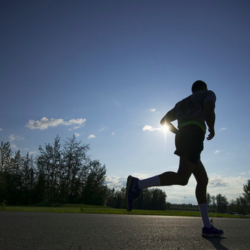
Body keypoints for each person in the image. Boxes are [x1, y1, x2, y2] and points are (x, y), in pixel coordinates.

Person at [125, 80, 224, 237]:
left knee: (203, 180)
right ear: (203, 88)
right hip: (194, 136)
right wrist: (211, 129)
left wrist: (178, 132)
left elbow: (163, 121)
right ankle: (138, 185)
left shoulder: (182, 103)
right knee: (183, 178)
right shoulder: (208, 94)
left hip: (184, 136)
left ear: (192, 91)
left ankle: (207, 226)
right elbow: (209, 110)